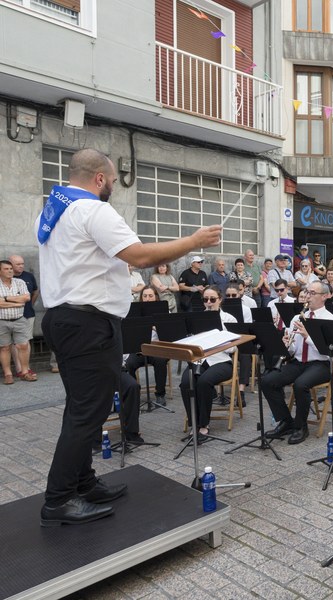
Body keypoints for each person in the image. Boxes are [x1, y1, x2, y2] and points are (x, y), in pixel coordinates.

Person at [37, 148, 221, 527]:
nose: (114, 190)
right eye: (114, 182)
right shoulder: (92, 209)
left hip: (65, 319)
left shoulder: (52, 209)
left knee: (82, 407)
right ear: (100, 179)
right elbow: (138, 256)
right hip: (87, 324)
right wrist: (193, 241)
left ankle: (82, 483)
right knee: (88, 412)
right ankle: (58, 499)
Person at [261, 281, 333, 444]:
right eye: (307, 293)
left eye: (312, 293)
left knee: (300, 385)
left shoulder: (330, 319)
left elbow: (329, 351)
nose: (307, 297)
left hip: (321, 364)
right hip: (298, 362)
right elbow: (293, 350)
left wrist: (307, 337)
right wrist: (287, 344)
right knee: (267, 381)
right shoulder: (297, 317)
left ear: (324, 297)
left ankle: (301, 426)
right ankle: (286, 421)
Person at [179, 286, 237, 440]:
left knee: (204, 382)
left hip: (222, 361)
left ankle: (204, 425)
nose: (209, 303)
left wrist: (218, 336)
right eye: (205, 300)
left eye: (212, 299)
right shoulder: (197, 318)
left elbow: (234, 348)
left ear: (220, 300)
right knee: (186, 382)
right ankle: (194, 423)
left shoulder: (229, 319)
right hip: (200, 360)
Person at [124, 286, 170, 407]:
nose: (147, 299)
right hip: (139, 348)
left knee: (160, 362)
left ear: (156, 297)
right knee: (129, 364)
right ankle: (134, 393)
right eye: (145, 296)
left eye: (150, 296)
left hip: (158, 348)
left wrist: (156, 327)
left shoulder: (164, 311)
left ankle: (160, 394)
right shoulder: (135, 313)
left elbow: (170, 335)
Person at [0, 259, 33, 384]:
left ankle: (25, 372)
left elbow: (26, 298)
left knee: (23, 345)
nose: (9, 271)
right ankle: (8, 374)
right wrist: (17, 303)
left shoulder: (20, 282)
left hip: (19, 319)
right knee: (4, 348)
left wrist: (5, 299)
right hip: (1, 321)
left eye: (10, 269)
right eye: (6, 269)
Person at [8, 255, 38, 380]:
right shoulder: (6, 277)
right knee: (14, 343)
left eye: (22, 264)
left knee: (25, 341)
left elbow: (35, 292)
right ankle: (19, 369)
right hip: (9, 315)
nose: (21, 266)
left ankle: (26, 368)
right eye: (18, 264)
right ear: (10, 265)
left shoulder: (28, 276)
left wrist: (30, 304)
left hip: (27, 313)